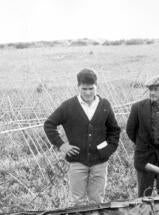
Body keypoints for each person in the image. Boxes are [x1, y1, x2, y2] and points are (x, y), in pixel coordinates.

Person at [44, 68, 120, 204]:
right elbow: (49, 124)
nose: (88, 92)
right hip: (77, 162)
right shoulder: (68, 106)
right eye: (84, 89)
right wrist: (62, 145)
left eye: (91, 88)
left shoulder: (104, 105)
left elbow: (114, 131)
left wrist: (107, 150)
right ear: (78, 87)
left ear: (96, 86)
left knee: (97, 200)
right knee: (76, 201)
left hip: (100, 163)